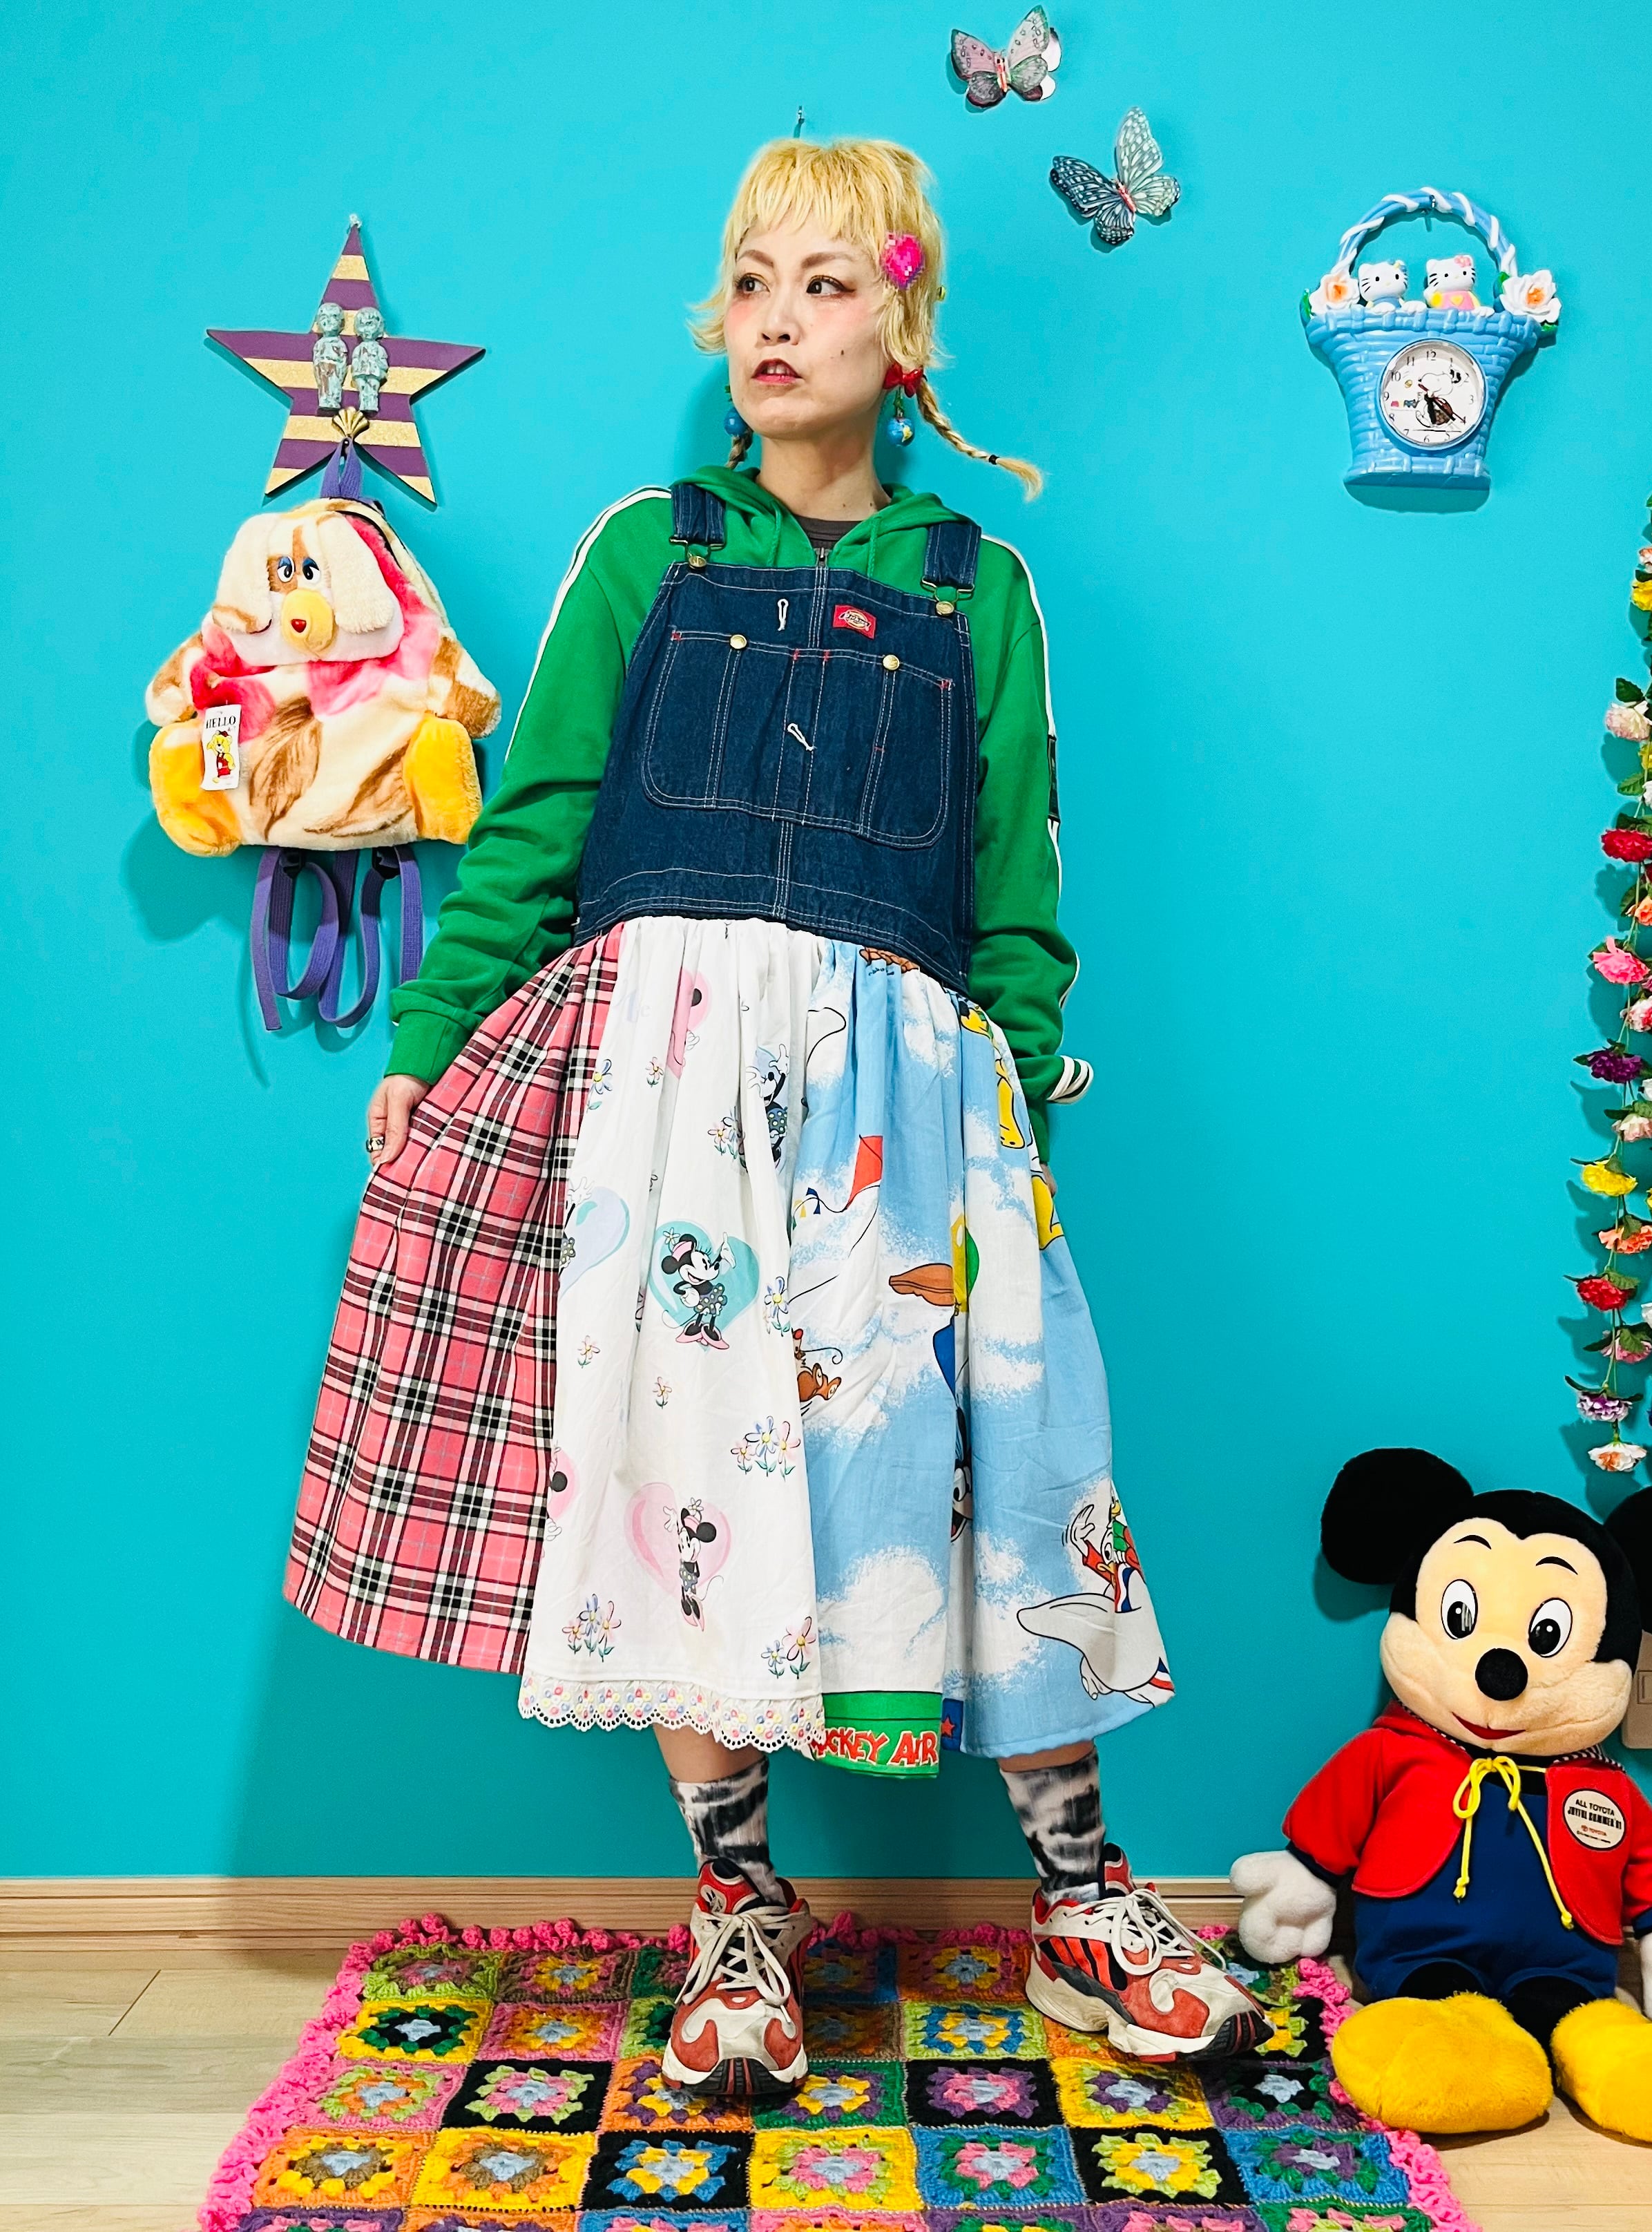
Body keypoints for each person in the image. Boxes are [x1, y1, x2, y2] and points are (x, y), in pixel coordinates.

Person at [287, 134, 1266, 2099]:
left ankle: (1084, 1902)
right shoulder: (645, 554)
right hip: (667, 1102)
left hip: (917, 1104)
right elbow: (537, 827)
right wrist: (434, 1035)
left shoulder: (979, 586)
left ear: (907, 334)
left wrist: (1011, 1103)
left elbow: (1018, 890)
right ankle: (739, 1906)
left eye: (827, 284)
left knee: (1007, 1472)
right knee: (684, 1478)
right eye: (751, 282)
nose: (779, 320)